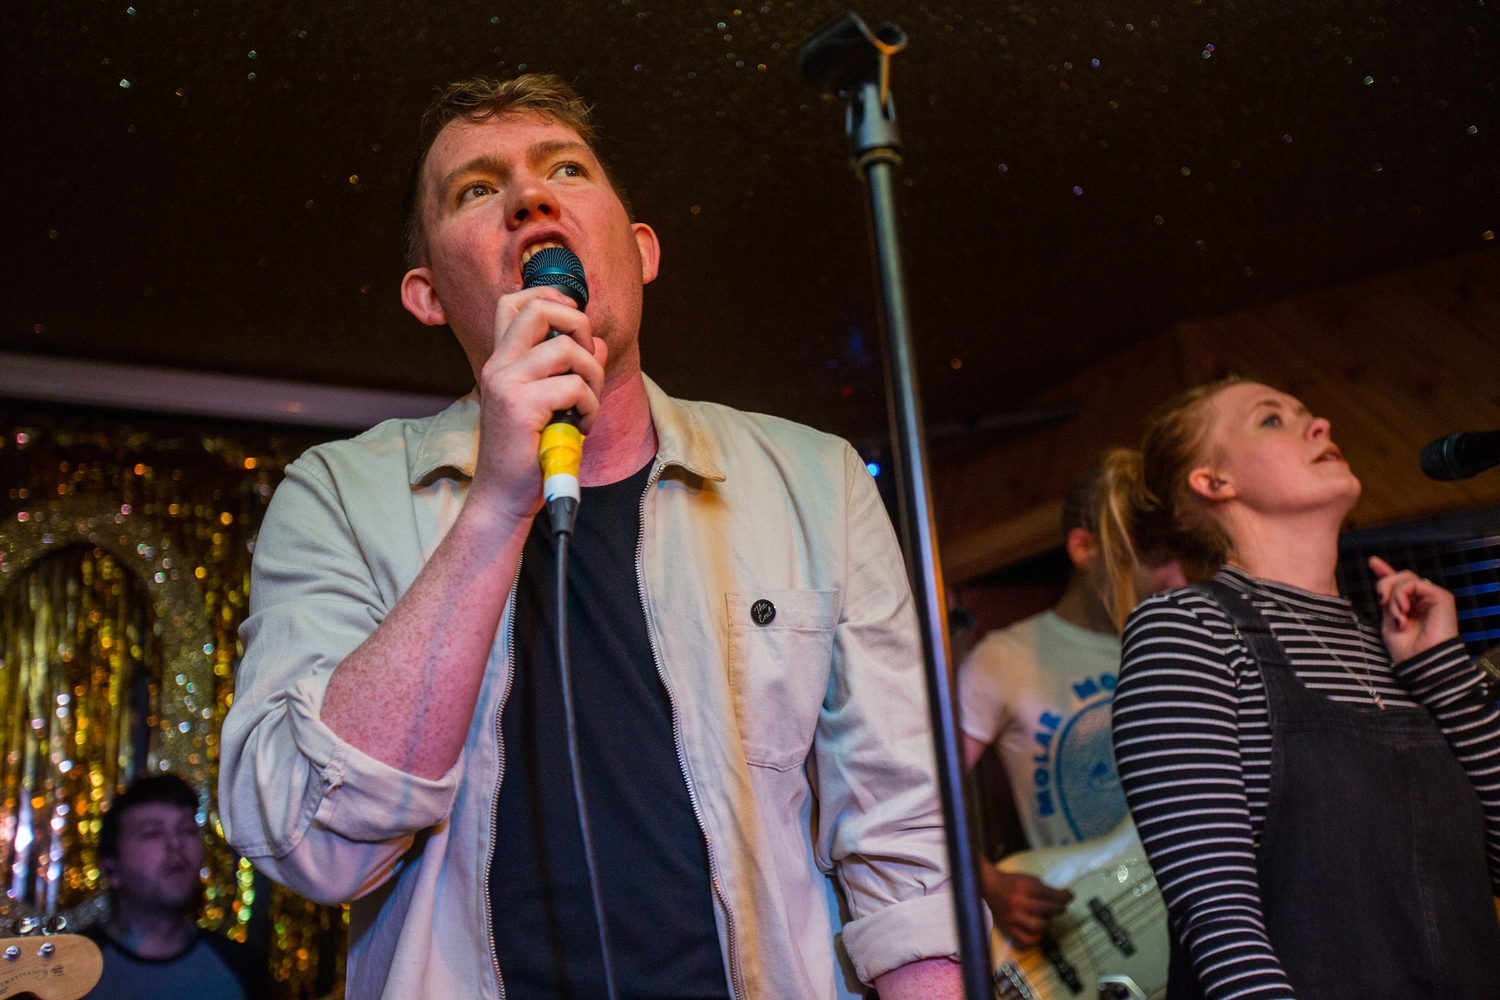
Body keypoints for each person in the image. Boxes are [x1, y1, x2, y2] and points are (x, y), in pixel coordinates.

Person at [219, 74, 960, 999]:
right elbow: (309, 843)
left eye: (565, 169)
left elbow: (908, 837)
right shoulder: (336, 495)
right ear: (428, 296)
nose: (530, 196)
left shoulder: (815, 480)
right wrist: (495, 502)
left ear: (641, 251)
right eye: (476, 190)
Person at [1109, 377, 1500, 999]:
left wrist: (1445, 674)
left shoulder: (1391, 648)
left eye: (1308, 413)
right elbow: (1220, 927)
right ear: (1214, 482)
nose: (1319, 425)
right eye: (1272, 420)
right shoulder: (1189, 630)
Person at [957, 458, 1185, 947]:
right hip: (1090, 936)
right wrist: (990, 885)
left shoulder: (1179, 649)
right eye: (1153, 555)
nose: (1176, 577)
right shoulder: (1003, 659)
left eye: (1181, 555)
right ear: (1084, 548)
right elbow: (921, 796)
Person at [82, 774, 268, 1000]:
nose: (176, 844)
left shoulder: (241, 966)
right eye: (152, 833)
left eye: (187, 830)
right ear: (111, 869)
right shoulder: (71, 970)